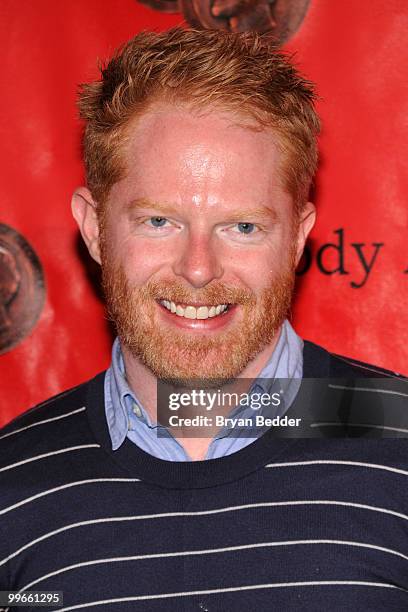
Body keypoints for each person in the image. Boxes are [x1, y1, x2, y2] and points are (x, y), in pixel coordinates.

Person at [0, 27, 407, 612]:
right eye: (158, 221)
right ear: (93, 228)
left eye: (243, 227)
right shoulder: (11, 485)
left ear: (297, 237)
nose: (198, 269)